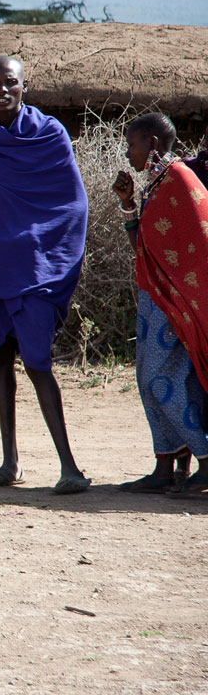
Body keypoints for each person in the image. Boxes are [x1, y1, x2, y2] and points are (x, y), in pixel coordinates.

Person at [0, 55, 90, 494]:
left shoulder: (50, 134)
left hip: (35, 268)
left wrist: (45, 249)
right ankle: (9, 462)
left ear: (24, 86)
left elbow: (72, 204)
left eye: (9, 82)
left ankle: (69, 467)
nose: (1, 90)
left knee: (37, 363)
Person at [113, 114, 208, 496]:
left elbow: (198, 246)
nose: (128, 152)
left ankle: (205, 458)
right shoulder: (157, 182)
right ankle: (164, 465)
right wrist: (128, 204)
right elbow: (144, 250)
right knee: (148, 381)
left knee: (162, 379)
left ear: (152, 143)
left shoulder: (180, 180)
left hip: (176, 302)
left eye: (132, 144)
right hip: (156, 299)